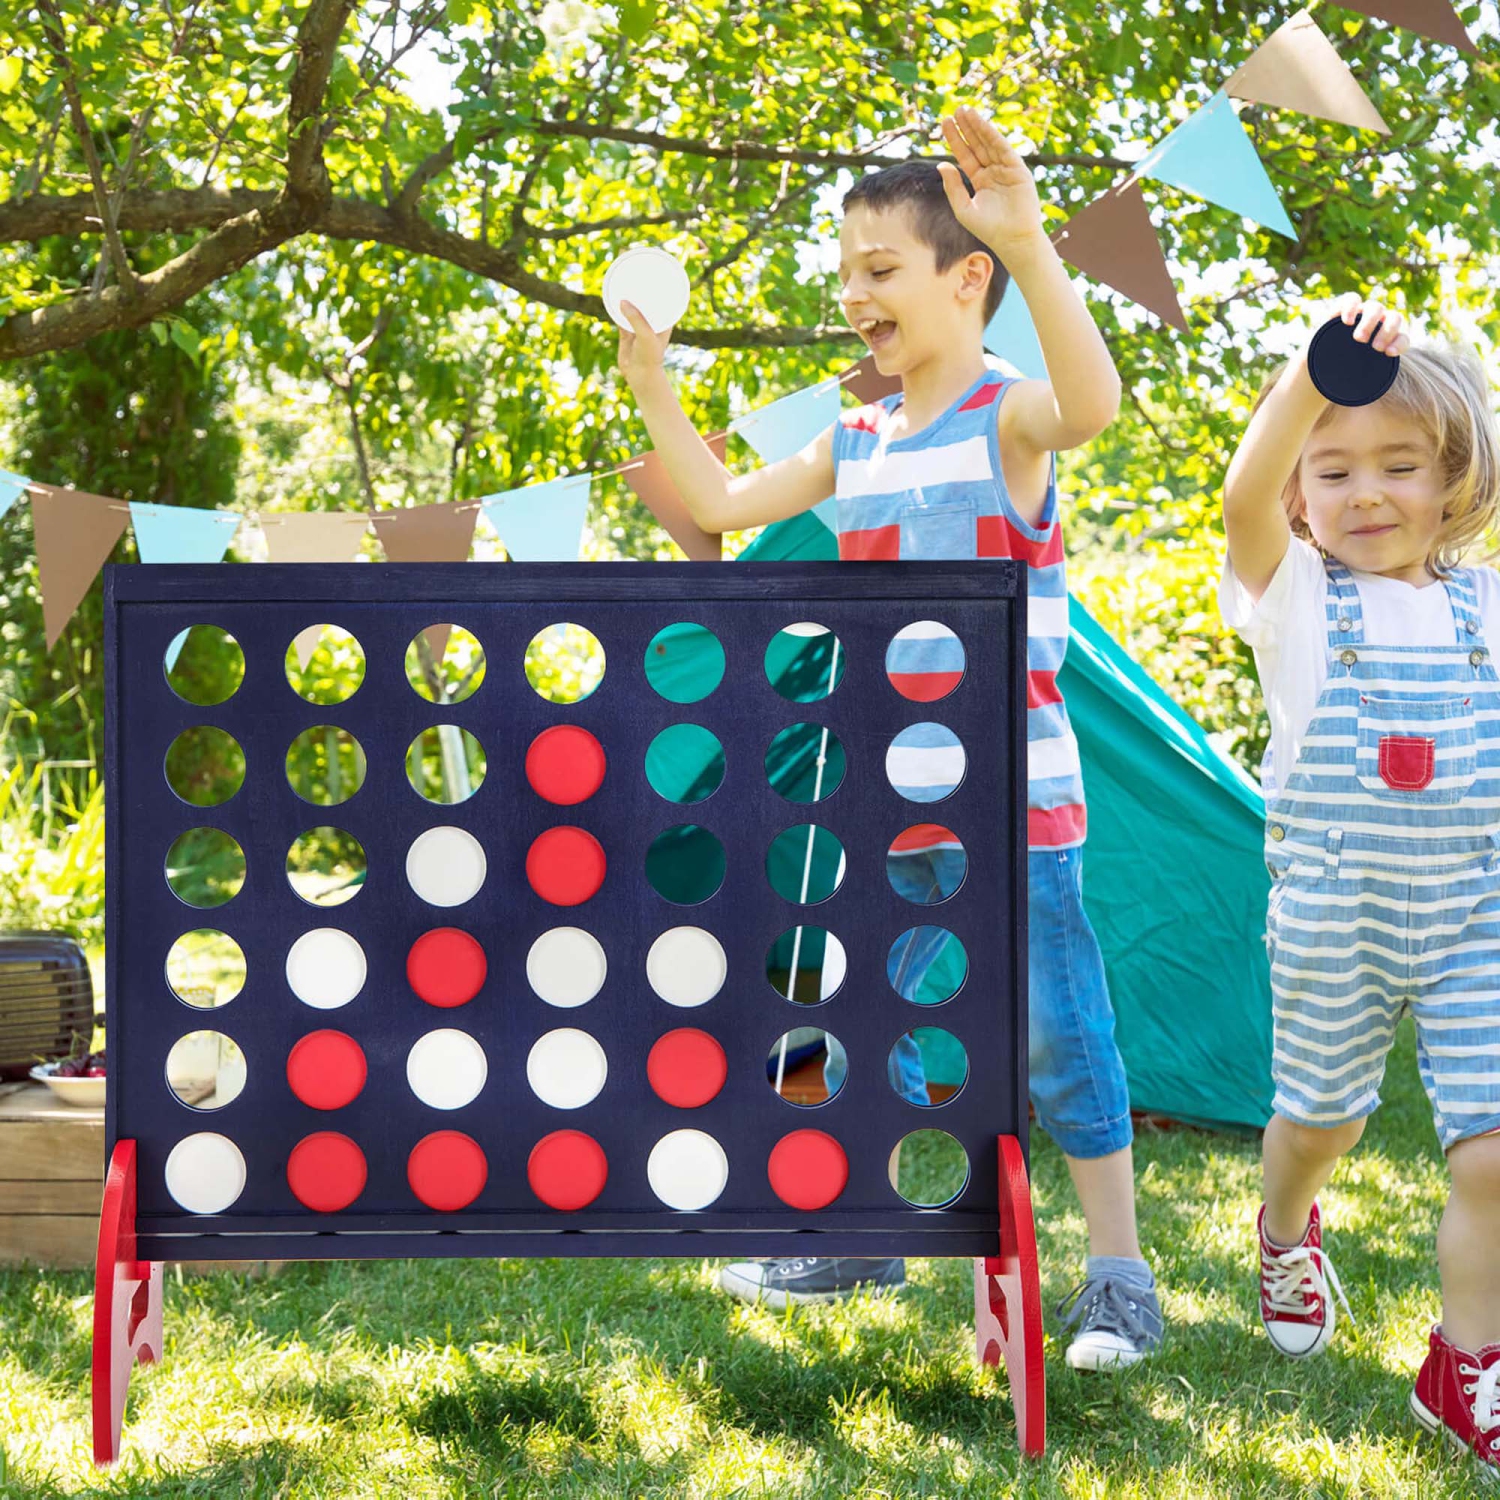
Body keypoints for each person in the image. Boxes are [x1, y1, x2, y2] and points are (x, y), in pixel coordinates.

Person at [617, 106, 1162, 1370]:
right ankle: (862, 1230)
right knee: (868, 1018)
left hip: (1012, 807)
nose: (855, 295)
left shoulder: (1007, 418)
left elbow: (1093, 403)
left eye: (881, 269)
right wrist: (651, 382)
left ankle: (1121, 1276)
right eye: (846, 272)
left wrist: (1028, 241)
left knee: (1059, 1036)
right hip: (884, 808)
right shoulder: (853, 442)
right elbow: (717, 502)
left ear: (964, 279)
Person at [1220, 294, 1500, 1478]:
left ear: (1455, 479)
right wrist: (1308, 376)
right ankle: (1286, 1226)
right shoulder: (1292, 598)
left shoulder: (1487, 605)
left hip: (1478, 914)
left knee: (1493, 1153)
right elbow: (1241, 498)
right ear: (1300, 491)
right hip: (1338, 915)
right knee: (1324, 1120)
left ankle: (1466, 1367)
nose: (1367, 494)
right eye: (1333, 471)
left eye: (1401, 465)